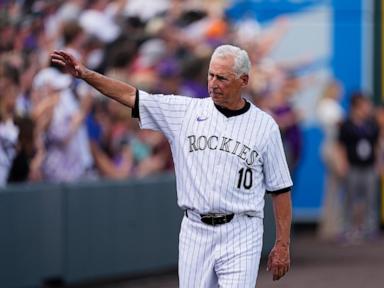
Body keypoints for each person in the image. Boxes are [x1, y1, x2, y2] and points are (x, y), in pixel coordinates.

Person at [51, 44, 293, 287]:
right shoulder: (185, 111)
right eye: (210, 75)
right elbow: (130, 95)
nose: (213, 83)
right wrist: (86, 74)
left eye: (222, 77)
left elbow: (280, 189)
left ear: (244, 80)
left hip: (242, 229)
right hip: (196, 229)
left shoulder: (265, 126)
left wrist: (282, 243)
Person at [338, 92, 380, 243]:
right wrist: (343, 163)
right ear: (356, 107)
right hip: (353, 165)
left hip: (368, 166)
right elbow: (341, 146)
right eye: (364, 105)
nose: (368, 108)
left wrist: (378, 163)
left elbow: (376, 145)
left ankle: (370, 229)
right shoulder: (347, 125)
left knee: (371, 198)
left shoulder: (372, 124)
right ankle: (347, 229)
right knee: (349, 198)